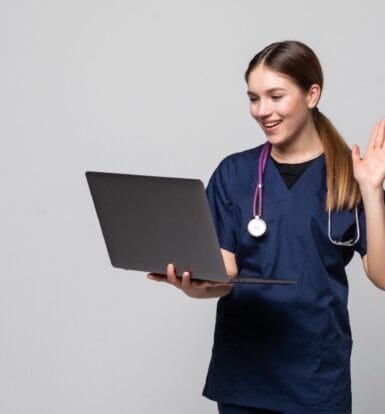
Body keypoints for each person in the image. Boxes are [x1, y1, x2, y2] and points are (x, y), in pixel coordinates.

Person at [147, 40, 385, 414]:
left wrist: (372, 191)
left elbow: (382, 275)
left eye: (275, 96)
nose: (263, 111)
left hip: (316, 378)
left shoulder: (349, 177)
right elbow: (224, 276)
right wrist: (194, 286)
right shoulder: (234, 174)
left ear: (312, 94)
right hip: (245, 376)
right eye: (254, 98)